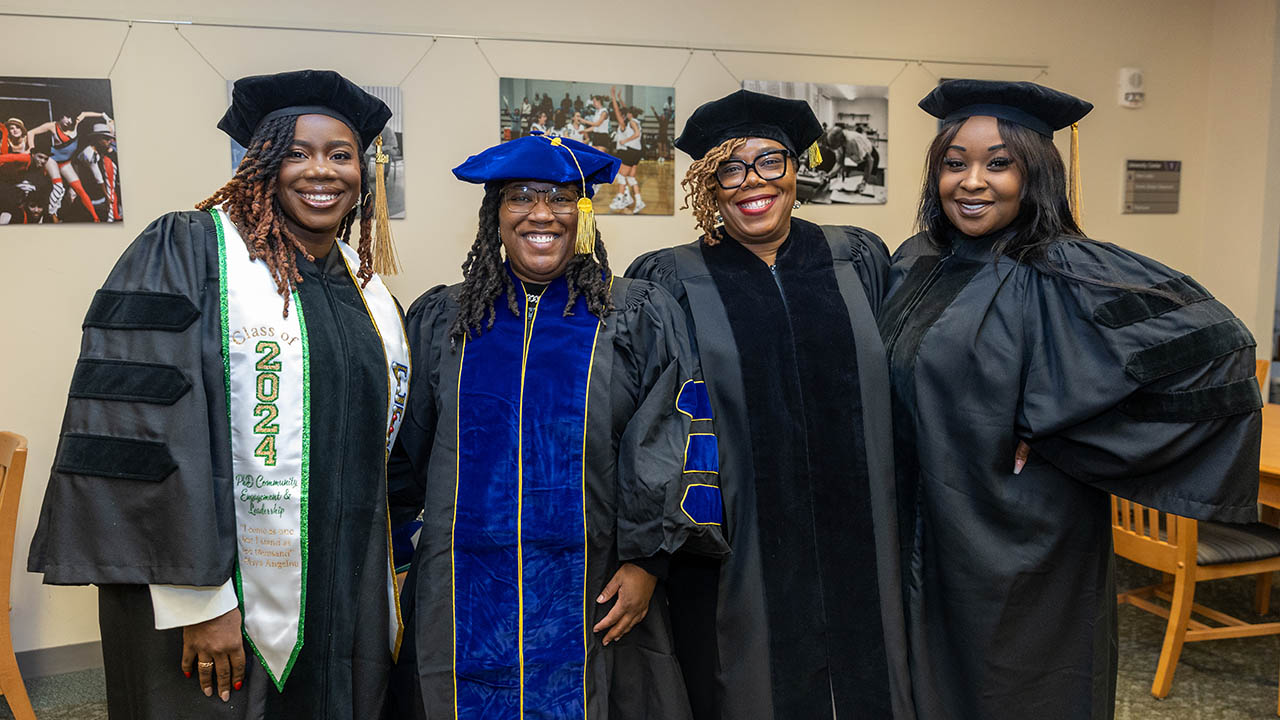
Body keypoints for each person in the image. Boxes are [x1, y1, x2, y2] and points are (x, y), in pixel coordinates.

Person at [27, 69, 410, 719]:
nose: (322, 171)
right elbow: (142, 434)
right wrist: (199, 601)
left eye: (341, 155)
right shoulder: (190, 251)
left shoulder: (368, 292)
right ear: (259, 163)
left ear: (363, 174)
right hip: (212, 590)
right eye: (296, 152)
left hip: (339, 590)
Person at [881, 79, 1262, 719]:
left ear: (1036, 173)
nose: (972, 181)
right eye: (955, 163)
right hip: (922, 519)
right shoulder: (918, 260)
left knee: (1016, 686)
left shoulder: (1064, 267)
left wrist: (1060, 432)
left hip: (1018, 531)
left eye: (998, 163)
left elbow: (1219, 344)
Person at [387, 133, 729, 720]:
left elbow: (672, 440)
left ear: (584, 215)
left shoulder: (635, 314)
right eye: (521, 196)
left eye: (562, 198)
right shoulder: (444, 318)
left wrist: (648, 563)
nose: (541, 213)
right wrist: (393, 551)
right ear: (495, 214)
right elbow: (404, 454)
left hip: (595, 589)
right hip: (462, 587)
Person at [628, 88, 914, 720]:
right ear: (708, 185)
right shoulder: (669, 280)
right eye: (729, 168)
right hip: (737, 547)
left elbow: (917, 369)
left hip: (864, 535)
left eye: (769, 161)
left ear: (795, 169)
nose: (750, 182)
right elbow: (650, 420)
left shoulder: (857, 258)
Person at [608, 87, 645, 213]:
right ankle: (638, 201)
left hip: (627, 151)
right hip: (636, 152)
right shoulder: (634, 120)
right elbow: (626, 110)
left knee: (621, 176)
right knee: (630, 178)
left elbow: (618, 111)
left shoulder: (624, 124)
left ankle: (620, 199)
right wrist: (619, 98)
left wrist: (613, 98)